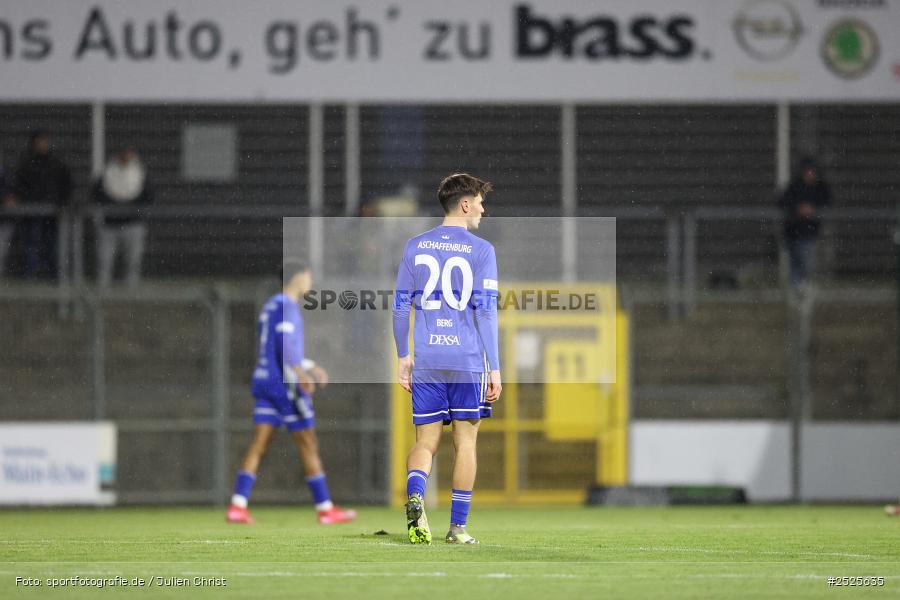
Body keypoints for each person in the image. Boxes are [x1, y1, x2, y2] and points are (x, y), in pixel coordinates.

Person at [392, 173, 502, 545]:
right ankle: (457, 528)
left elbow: (399, 307)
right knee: (466, 443)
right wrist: (496, 367)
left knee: (426, 442)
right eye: (480, 203)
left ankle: (416, 497)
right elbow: (486, 313)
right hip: (466, 360)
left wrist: (403, 357)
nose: (484, 210)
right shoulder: (483, 251)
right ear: (466, 204)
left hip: (428, 358)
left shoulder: (414, 246)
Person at [226, 259, 357, 525]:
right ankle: (325, 509)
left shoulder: (271, 306)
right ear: (297, 278)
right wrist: (301, 375)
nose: (309, 282)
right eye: (307, 277)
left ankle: (237, 506)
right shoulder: (288, 307)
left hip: (264, 380)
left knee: (259, 444)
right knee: (308, 443)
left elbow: (275, 347)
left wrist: (308, 365)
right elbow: (286, 347)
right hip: (284, 386)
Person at [9, 130, 72, 278]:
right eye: (39, 142)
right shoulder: (27, 163)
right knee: (31, 245)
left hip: (52, 212)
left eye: (44, 142)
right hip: (32, 212)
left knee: (52, 247)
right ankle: (29, 277)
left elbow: (66, 185)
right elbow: (19, 186)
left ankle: (54, 278)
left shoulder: (56, 163)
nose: (42, 145)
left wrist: (62, 202)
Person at [93, 148, 152, 287]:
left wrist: (132, 208)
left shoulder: (140, 173)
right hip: (110, 224)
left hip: (133, 223)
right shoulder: (108, 172)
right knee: (105, 260)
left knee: (133, 260)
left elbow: (148, 195)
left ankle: (131, 289)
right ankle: (103, 289)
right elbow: (97, 193)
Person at [779, 157, 831, 291]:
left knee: (806, 264)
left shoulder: (820, 187)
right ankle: (796, 292)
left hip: (809, 233)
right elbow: (783, 202)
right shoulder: (795, 186)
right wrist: (798, 208)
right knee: (796, 263)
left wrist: (812, 209)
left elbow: (827, 203)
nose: (810, 174)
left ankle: (803, 289)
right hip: (793, 232)